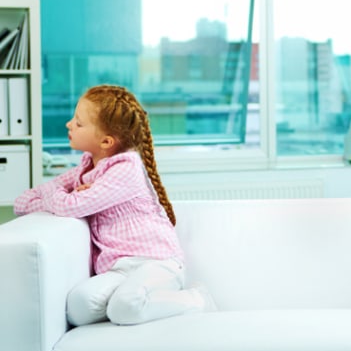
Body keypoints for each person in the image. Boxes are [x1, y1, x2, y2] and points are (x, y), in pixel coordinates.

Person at [14, 84, 215, 326]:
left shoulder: (126, 169)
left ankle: (197, 300)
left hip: (155, 262)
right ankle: (135, 300)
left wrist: (60, 194)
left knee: (125, 308)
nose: (69, 124)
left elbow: (69, 206)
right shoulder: (86, 168)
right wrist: (60, 193)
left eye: (78, 123)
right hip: (117, 269)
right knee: (78, 307)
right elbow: (23, 202)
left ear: (107, 141)